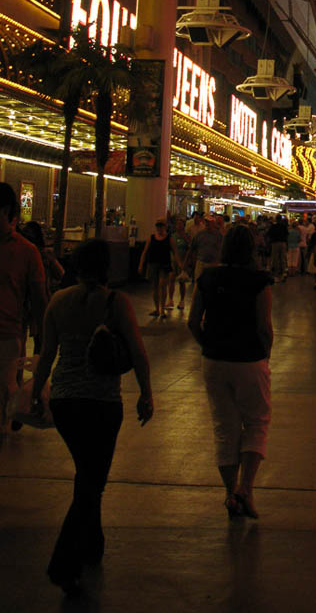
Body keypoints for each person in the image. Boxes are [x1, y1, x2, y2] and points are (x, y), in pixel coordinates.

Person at [32, 238, 153, 596]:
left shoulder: (57, 301)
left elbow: (46, 352)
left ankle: (92, 543)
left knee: (87, 472)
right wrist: (146, 394)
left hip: (65, 401)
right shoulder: (115, 302)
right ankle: (63, 563)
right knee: (92, 480)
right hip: (102, 402)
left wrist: (39, 392)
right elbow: (137, 350)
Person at [187, 224, 273, 520]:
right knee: (256, 422)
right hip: (250, 360)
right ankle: (246, 489)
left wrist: (208, 345)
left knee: (225, 429)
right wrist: (265, 355)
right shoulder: (259, 280)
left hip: (214, 361)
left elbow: (193, 321)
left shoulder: (207, 277)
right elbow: (264, 326)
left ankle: (229, 493)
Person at [0, 183, 47, 433]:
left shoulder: (27, 251)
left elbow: (40, 297)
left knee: (7, 385)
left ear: (7, 211)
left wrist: (44, 337)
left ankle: (7, 423)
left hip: (8, 332)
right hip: (11, 331)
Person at [138, 219, 180, 318]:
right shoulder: (151, 238)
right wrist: (141, 265)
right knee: (155, 287)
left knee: (162, 285)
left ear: (165, 227)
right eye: (158, 226)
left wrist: (179, 264)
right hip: (153, 264)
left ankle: (161, 309)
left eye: (161, 226)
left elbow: (175, 252)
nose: (159, 228)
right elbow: (144, 252)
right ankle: (157, 309)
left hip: (164, 264)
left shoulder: (169, 239)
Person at [168, 217, 190, 310]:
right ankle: (170, 299)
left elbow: (190, 247)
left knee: (182, 282)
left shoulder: (187, 236)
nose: (179, 226)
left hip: (183, 260)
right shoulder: (173, 236)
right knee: (171, 279)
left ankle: (182, 300)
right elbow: (172, 249)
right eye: (177, 224)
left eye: (181, 224)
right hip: (174, 261)